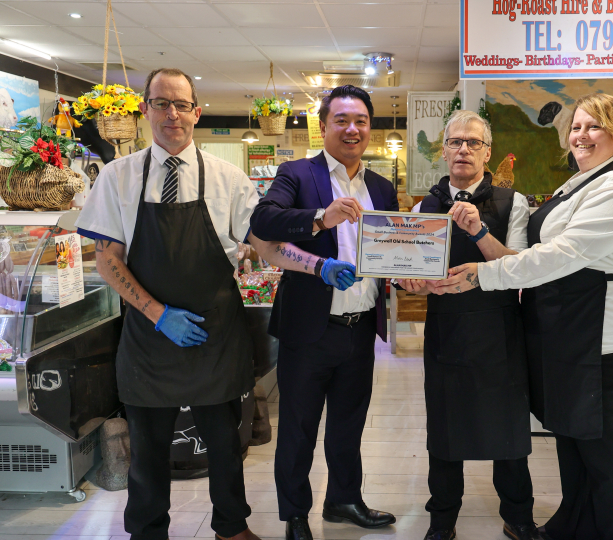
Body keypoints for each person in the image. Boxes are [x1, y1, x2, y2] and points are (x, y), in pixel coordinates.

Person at [74, 67, 360, 540]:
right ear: (146, 110)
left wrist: (317, 267)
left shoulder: (228, 179)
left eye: (181, 104)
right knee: (146, 454)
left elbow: (266, 247)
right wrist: (157, 313)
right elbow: (107, 260)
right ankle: (148, 532)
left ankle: (231, 528)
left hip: (217, 335)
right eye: (161, 103)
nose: (172, 114)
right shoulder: (116, 178)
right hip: (149, 339)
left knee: (228, 445)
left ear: (196, 112)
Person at [430, 93, 613, 540]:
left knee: (611, 460)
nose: (581, 135)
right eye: (576, 127)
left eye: (593, 126)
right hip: (578, 335)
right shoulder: (582, 181)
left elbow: (561, 255)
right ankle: (572, 529)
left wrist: (484, 274)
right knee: (576, 447)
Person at [250, 85, 399, 540]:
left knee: (349, 425)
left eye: (361, 121)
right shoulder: (297, 173)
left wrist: (407, 274)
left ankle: (343, 500)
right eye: (342, 120)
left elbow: (391, 251)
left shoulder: (381, 187)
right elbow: (264, 220)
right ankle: (296, 514)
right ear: (323, 125)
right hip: (309, 331)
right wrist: (320, 218)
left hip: (359, 330)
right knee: (297, 427)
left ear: (369, 128)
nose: (352, 129)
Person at [397, 110, 543, 540]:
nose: (463, 149)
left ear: (487, 152)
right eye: (455, 142)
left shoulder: (512, 202)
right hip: (446, 333)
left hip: (500, 332)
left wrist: (480, 232)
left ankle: (519, 516)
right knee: (444, 434)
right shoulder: (425, 205)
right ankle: (442, 520)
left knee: (510, 434)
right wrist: (412, 283)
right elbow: (419, 278)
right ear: (443, 151)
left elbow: (521, 267)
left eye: (473, 143)